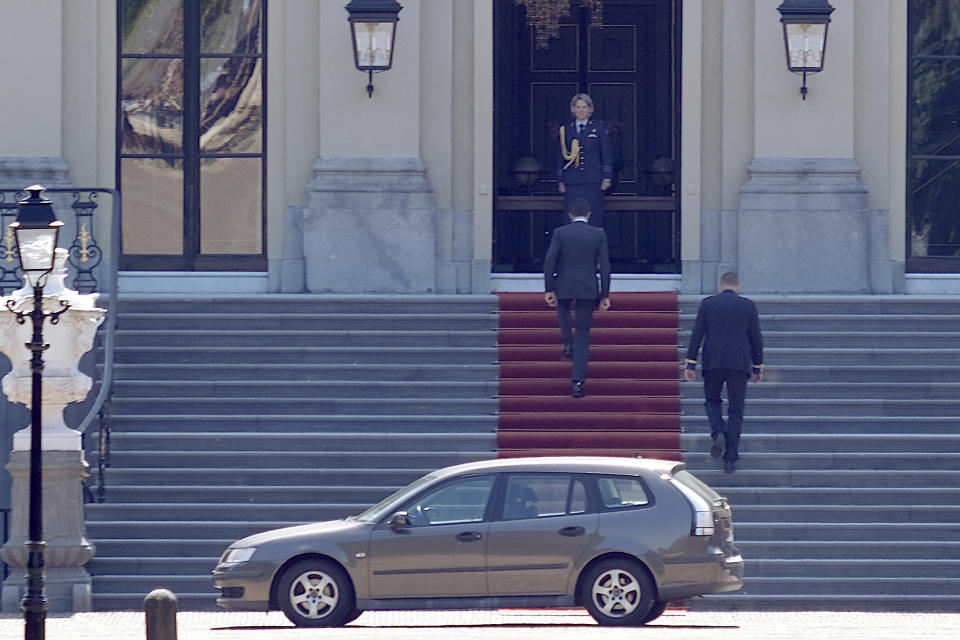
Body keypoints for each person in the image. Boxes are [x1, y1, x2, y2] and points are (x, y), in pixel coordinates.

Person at [684, 272, 764, 473]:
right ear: (737, 285)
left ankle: (718, 432)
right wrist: (757, 366)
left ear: (721, 285)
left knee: (712, 401)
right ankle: (730, 458)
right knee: (736, 410)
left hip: (713, 361)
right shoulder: (748, 306)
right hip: (739, 363)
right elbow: (756, 338)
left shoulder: (708, 304)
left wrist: (690, 363)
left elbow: (697, 334)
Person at [544, 197, 611, 398]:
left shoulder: (560, 233)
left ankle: (567, 341)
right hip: (587, 287)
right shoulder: (598, 234)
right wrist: (605, 294)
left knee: (563, 309)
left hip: (564, 283)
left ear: (570, 215)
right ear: (589, 214)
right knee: (583, 332)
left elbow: (550, 260)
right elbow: (605, 267)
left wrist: (549, 288)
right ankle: (578, 382)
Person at [556, 93, 613, 228]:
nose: (581, 110)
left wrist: (607, 178)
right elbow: (561, 156)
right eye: (578, 107)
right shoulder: (566, 130)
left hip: (593, 180)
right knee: (571, 217)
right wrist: (560, 180)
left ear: (590, 110)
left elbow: (606, 154)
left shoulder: (598, 128)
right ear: (573, 110)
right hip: (572, 181)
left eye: (584, 107)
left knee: (594, 217)